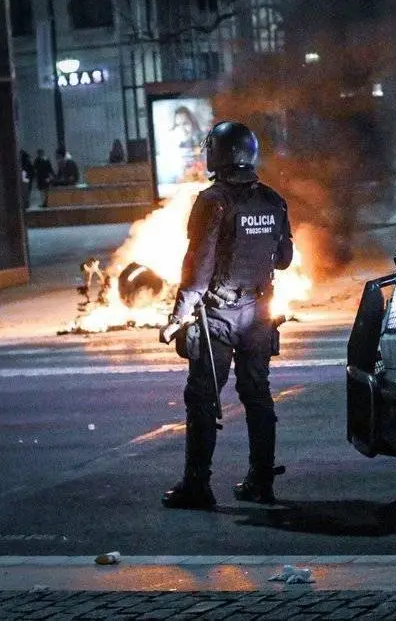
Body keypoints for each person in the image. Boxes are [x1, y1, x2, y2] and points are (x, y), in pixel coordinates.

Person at [158, 120, 293, 510]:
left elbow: (198, 268)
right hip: (259, 314)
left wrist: (177, 316)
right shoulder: (273, 200)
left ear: (220, 153)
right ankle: (261, 481)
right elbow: (283, 260)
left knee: (202, 398)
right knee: (257, 394)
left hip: (216, 317)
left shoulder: (211, 201)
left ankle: (197, 486)